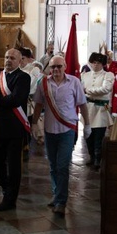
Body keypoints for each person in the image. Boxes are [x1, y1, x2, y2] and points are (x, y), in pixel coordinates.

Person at [32, 55, 89, 216]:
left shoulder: (74, 82)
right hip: (50, 130)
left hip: (67, 130)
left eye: (59, 66)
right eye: (52, 67)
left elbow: (82, 104)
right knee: (53, 166)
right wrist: (35, 124)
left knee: (62, 166)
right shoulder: (43, 83)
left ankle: (61, 202)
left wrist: (88, 124)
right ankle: (57, 194)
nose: (56, 70)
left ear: (65, 66)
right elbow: (38, 105)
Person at [0, 48, 30, 212]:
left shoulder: (23, 77)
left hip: (14, 128)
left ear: (20, 61)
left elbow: (15, 99)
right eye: (7, 57)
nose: (9, 60)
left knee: (14, 165)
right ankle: (6, 188)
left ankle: (10, 200)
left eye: (13, 58)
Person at [80, 52, 114, 170]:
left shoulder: (108, 75)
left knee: (98, 136)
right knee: (88, 136)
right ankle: (91, 156)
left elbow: (105, 89)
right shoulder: (85, 75)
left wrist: (88, 90)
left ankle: (98, 159)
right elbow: (80, 90)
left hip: (100, 110)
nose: (95, 65)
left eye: (98, 63)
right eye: (93, 62)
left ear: (103, 64)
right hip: (88, 108)